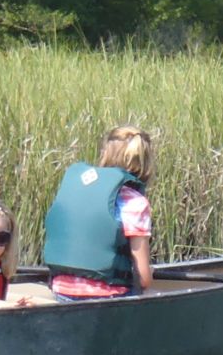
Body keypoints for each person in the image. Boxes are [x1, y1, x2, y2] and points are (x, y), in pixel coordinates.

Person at [42, 126, 155, 300]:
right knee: (146, 292)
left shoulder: (76, 190)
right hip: (108, 296)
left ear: (105, 153)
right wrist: (148, 275)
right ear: (145, 162)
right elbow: (144, 279)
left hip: (60, 290)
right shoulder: (135, 202)